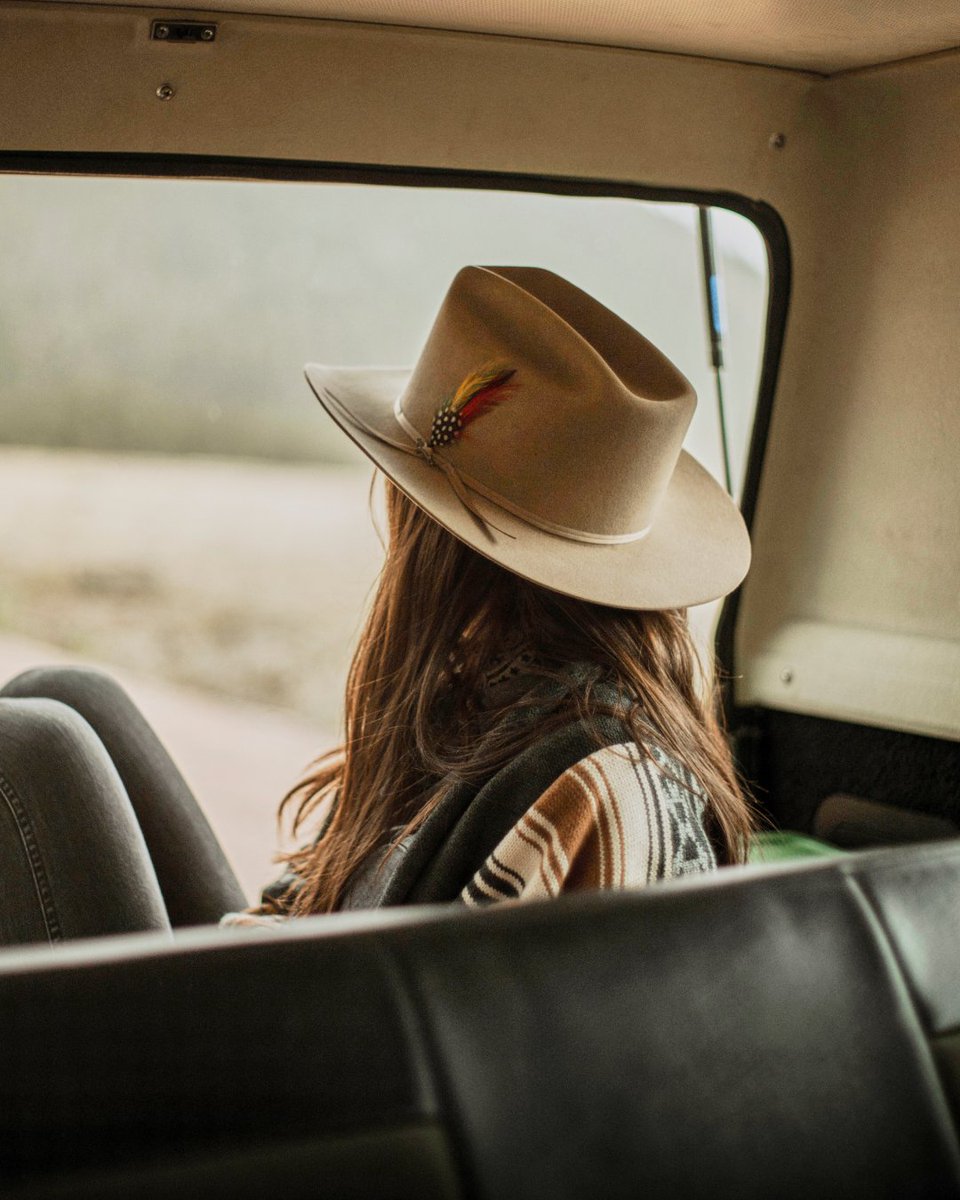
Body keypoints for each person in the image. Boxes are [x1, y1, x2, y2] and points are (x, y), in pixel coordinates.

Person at [0, 265, 752, 943]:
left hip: (320, 1079)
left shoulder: (597, 783)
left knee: (30, 746)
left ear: (432, 535)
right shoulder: (483, 689)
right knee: (65, 692)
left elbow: (488, 1063)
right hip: (319, 1000)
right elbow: (319, 908)